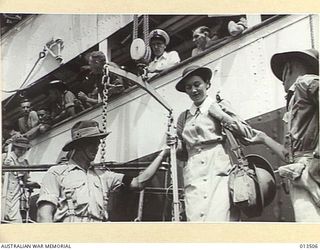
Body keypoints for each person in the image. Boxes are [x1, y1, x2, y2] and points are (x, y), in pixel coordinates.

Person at [166, 65, 257, 222]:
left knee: (221, 220)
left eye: (197, 84)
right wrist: (175, 144)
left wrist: (221, 116)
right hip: (193, 178)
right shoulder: (183, 117)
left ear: (207, 84)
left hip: (219, 173)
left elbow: (247, 134)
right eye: (189, 87)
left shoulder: (220, 106)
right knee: (196, 224)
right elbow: (183, 154)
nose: (194, 90)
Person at [37, 120, 169, 223]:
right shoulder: (57, 173)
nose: (97, 147)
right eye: (92, 143)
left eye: (98, 143)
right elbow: (44, 215)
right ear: (79, 145)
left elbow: (138, 183)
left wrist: (162, 155)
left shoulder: (103, 175)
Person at [249, 49, 320, 221]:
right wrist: (264, 138)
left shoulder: (306, 82)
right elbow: (289, 156)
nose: (282, 81)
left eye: (282, 74)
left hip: (310, 170)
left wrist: (316, 159)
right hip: (299, 172)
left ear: (288, 68)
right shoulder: (293, 99)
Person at [1, 136, 32, 223]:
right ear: (14, 147)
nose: (22, 151)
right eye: (20, 148)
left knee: (16, 222)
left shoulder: (23, 163)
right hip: (3, 194)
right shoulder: (4, 157)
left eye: (24, 149)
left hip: (15, 196)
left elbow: (26, 180)